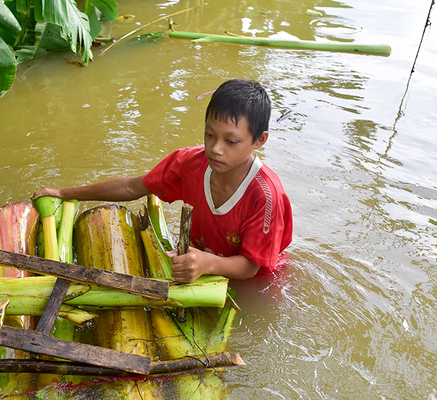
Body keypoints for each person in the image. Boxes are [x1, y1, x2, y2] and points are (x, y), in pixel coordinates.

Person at [32, 79, 292, 283]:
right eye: (209, 135)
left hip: (257, 281)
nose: (216, 149)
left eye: (231, 141)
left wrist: (207, 263)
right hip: (198, 263)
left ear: (260, 140)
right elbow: (132, 187)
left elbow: (251, 267)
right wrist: (64, 193)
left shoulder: (266, 196)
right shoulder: (189, 163)